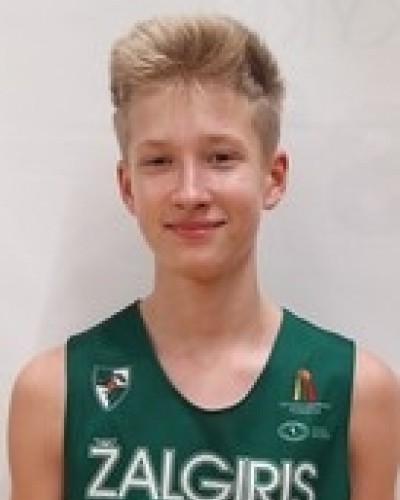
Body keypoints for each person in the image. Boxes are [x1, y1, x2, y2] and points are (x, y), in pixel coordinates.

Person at [8, 15, 399, 500]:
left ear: (273, 177)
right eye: (159, 161)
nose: (190, 192)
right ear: (128, 188)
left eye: (220, 158)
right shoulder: (53, 394)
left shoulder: (358, 392)